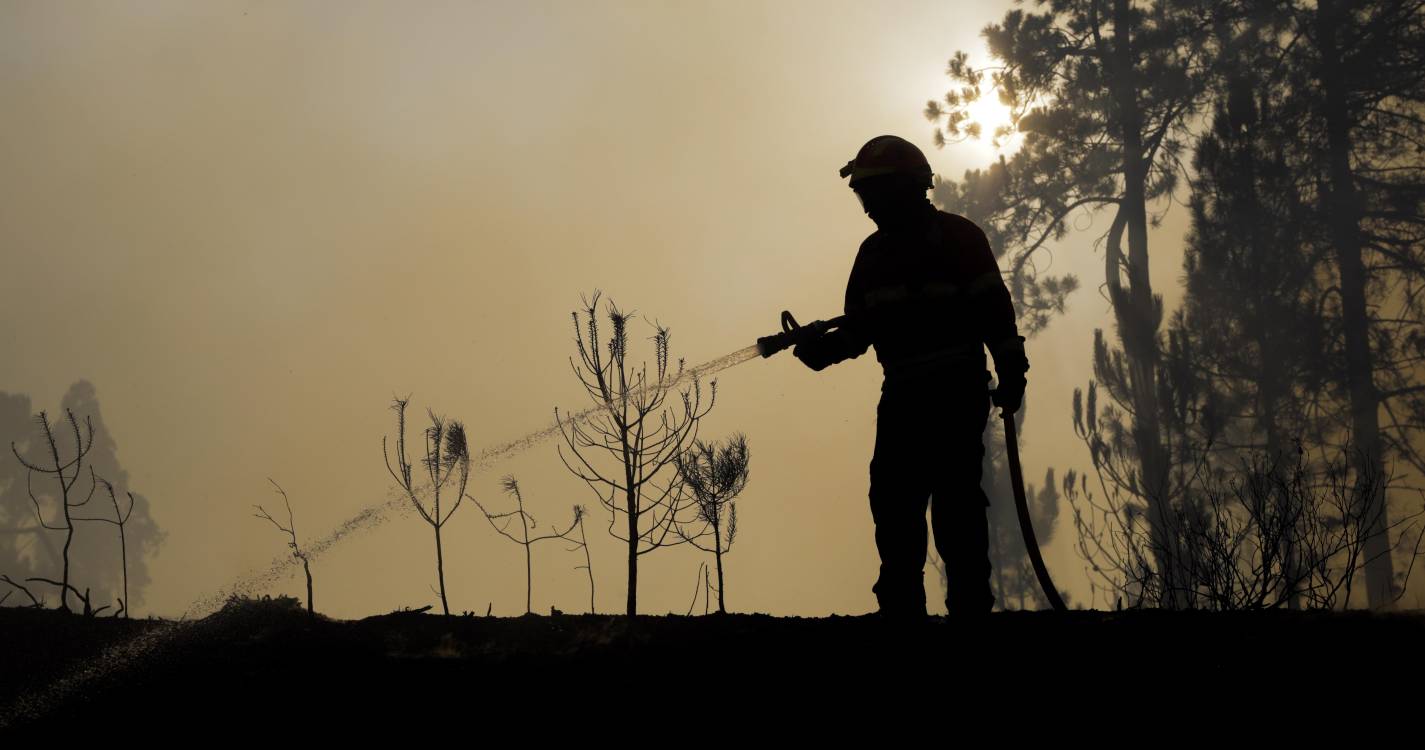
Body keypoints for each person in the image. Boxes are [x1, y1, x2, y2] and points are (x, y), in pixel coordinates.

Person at [793, 134, 1028, 617]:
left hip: (955, 391)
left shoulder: (961, 239)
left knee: (955, 501)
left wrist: (1011, 371)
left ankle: (969, 610)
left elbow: (996, 315)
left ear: (902, 189)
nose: (867, 208)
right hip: (901, 393)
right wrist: (818, 351)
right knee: (893, 499)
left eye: (871, 194)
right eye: (863, 197)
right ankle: (901, 610)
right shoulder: (872, 255)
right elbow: (858, 333)